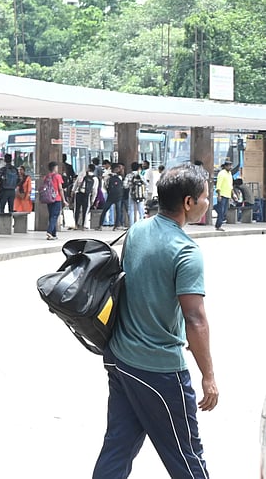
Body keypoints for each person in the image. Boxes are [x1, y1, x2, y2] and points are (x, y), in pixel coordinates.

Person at [92, 163, 217, 478]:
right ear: (188, 203)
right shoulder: (185, 250)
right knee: (187, 457)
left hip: (121, 360)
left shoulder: (138, 229)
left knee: (118, 447)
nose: (208, 204)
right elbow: (195, 319)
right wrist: (208, 376)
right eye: (205, 197)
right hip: (159, 369)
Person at [96, 163, 125, 231]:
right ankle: (116, 226)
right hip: (117, 196)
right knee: (117, 211)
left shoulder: (109, 176)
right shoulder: (118, 177)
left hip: (111, 196)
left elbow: (105, 185)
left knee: (106, 210)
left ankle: (101, 225)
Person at [72, 164, 99, 231]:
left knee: (77, 209)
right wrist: (93, 199)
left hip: (78, 193)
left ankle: (75, 224)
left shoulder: (82, 174)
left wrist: (73, 191)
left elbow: (76, 184)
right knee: (85, 210)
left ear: (88, 168)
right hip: (87, 195)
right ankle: (84, 225)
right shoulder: (95, 178)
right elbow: (94, 190)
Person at [44, 161, 65, 240]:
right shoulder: (58, 176)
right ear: (55, 168)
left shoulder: (47, 176)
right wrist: (64, 200)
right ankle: (49, 232)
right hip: (57, 198)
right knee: (55, 216)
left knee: (51, 216)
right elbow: (60, 188)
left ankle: (54, 233)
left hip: (49, 198)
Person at [125, 162, 145, 227]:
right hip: (140, 194)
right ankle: (141, 225)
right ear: (138, 168)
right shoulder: (141, 176)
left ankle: (131, 225)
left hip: (131, 194)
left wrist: (130, 185)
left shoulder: (129, 175)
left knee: (131, 210)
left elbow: (125, 185)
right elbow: (146, 184)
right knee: (141, 210)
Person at [214, 160, 232, 232]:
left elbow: (230, 185)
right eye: (229, 166)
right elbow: (218, 185)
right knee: (221, 211)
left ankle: (215, 207)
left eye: (231, 166)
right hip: (222, 194)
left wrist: (233, 194)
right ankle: (218, 226)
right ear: (225, 166)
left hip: (227, 194)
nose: (230, 167)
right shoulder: (222, 173)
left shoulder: (230, 173)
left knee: (224, 211)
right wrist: (219, 195)